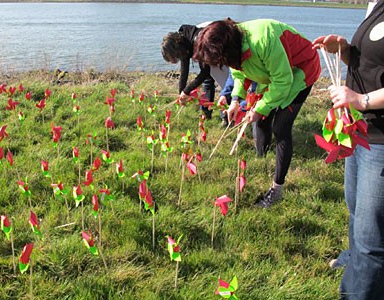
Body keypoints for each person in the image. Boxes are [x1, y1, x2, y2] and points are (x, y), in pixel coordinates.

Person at [193, 18, 321, 208]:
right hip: (270, 74)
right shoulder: (233, 48)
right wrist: (235, 99)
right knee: (260, 121)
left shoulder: (263, 40)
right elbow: (238, 73)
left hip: (299, 71)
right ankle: (262, 160)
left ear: (228, 49)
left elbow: (282, 81)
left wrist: (261, 108)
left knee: (280, 127)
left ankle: (277, 189)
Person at [312, 1, 384, 298]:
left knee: (372, 240)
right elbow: (371, 64)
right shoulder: (376, 4)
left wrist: (362, 100)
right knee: (356, 213)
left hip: (381, 139)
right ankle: (355, 264)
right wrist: (343, 50)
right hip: (362, 131)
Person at [161, 22, 230, 120]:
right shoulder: (183, 42)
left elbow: (205, 72)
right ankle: (206, 115)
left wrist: (187, 90)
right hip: (208, 47)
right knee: (208, 81)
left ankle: (226, 118)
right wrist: (182, 93)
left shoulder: (197, 43)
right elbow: (184, 71)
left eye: (175, 57)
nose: (177, 59)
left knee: (226, 84)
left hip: (218, 48)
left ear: (176, 50)